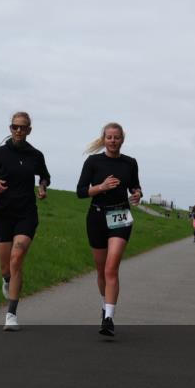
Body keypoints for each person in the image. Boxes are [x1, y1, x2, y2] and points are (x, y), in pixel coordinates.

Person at [0, 111, 50, 331]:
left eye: (23, 127)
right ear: (10, 128)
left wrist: (42, 187)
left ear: (29, 130)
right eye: (15, 126)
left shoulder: (36, 155)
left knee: (17, 258)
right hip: (3, 214)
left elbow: (45, 175)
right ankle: (6, 279)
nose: (18, 130)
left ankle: (11, 314)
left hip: (26, 213)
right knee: (5, 267)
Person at [76, 122, 142, 337]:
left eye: (117, 137)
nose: (113, 141)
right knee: (101, 269)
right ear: (104, 139)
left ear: (123, 139)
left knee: (111, 268)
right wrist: (101, 187)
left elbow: (135, 186)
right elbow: (80, 192)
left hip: (120, 216)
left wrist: (137, 194)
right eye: (109, 137)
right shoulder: (93, 162)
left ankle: (109, 318)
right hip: (96, 216)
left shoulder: (130, 163)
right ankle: (106, 305)